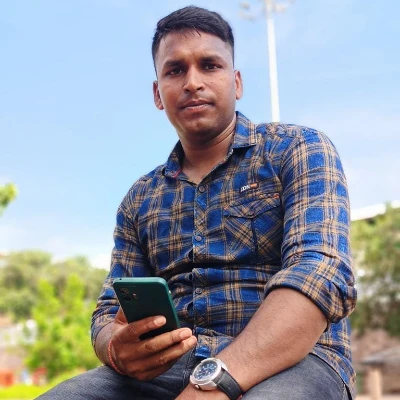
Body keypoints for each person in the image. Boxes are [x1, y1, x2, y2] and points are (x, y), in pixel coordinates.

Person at [37, 5, 357, 400]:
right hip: (165, 368)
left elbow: (319, 274)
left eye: (210, 65)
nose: (192, 82)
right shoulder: (140, 199)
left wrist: (214, 383)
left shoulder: (298, 149)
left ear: (236, 82)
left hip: (296, 362)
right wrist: (116, 349)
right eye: (175, 70)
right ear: (158, 94)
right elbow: (107, 311)